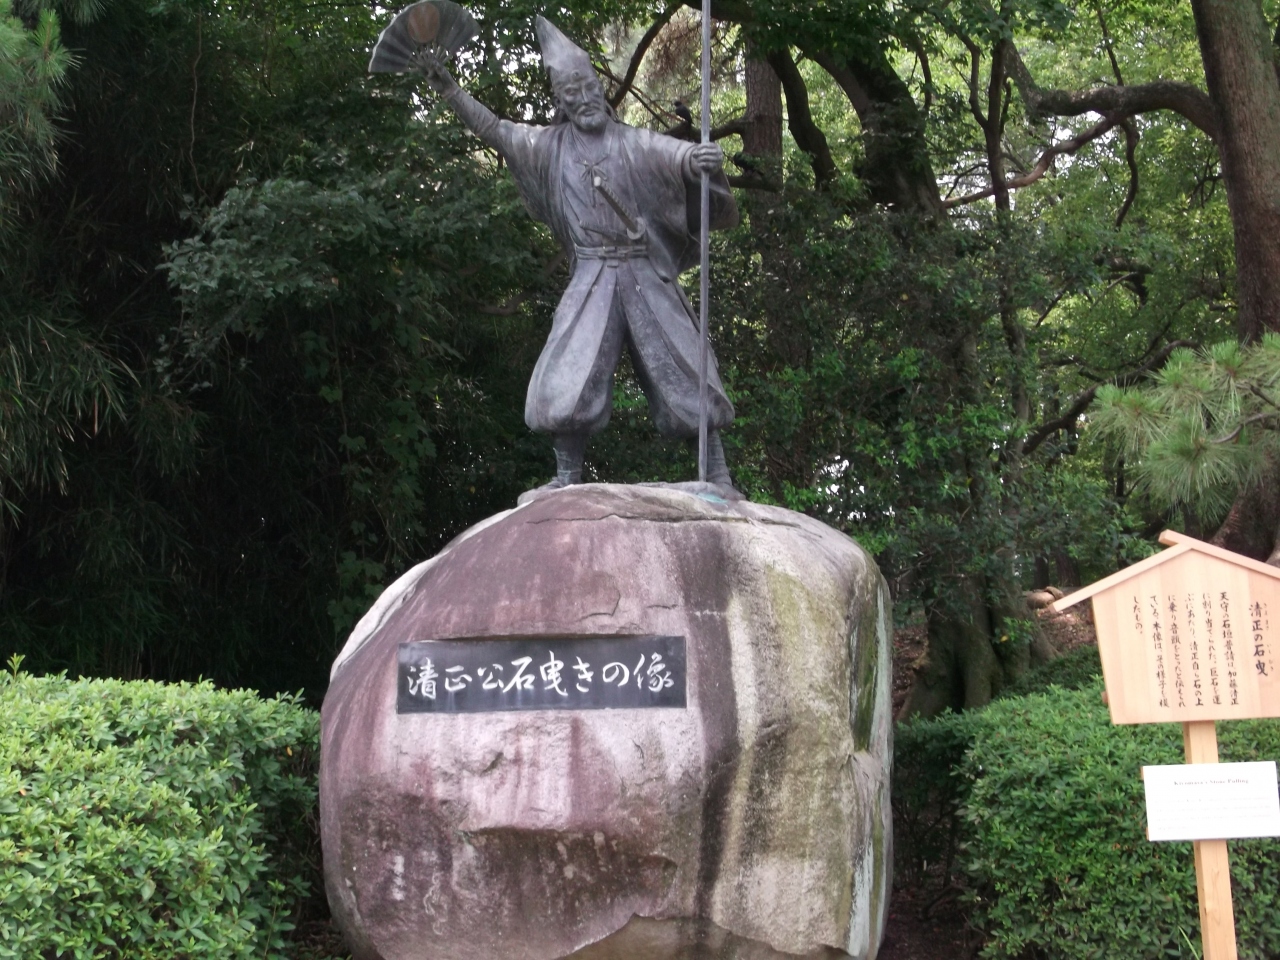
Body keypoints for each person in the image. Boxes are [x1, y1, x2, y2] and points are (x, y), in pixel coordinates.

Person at [415, 16, 739, 491]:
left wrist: (697, 158)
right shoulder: (548, 148)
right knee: (568, 368)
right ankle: (566, 476)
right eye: (572, 93)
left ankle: (718, 474)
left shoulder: (630, 141)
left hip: (643, 267)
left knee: (685, 364)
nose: (584, 99)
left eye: (589, 89)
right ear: (561, 102)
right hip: (592, 272)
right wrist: (448, 89)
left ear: (600, 91)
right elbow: (495, 130)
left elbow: (670, 153)